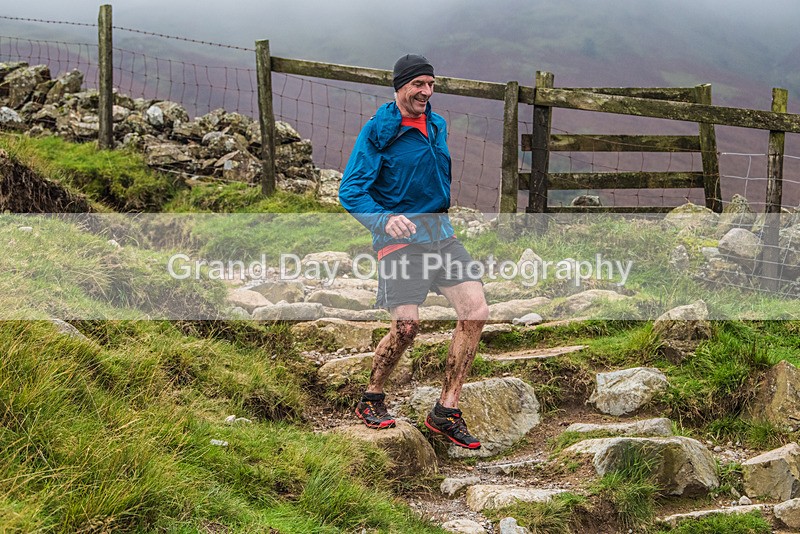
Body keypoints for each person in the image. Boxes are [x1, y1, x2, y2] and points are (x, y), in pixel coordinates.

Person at [338, 54, 489, 449]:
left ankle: (446, 411)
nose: (426, 91)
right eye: (418, 84)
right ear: (400, 86)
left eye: (431, 84)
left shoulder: (436, 124)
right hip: (400, 240)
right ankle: (371, 397)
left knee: (476, 311)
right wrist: (384, 220)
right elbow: (350, 190)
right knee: (406, 328)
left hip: (440, 233)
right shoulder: (378, 132)